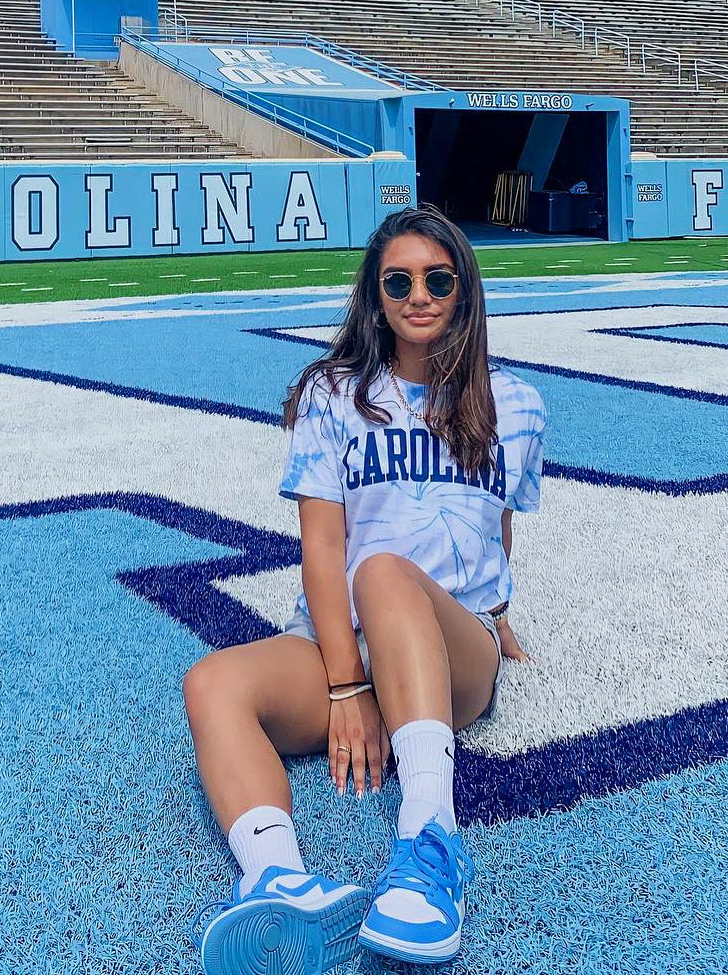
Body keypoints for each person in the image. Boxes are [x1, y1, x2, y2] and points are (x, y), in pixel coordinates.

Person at [183, 204, 545, 973]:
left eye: (438, 278)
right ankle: (278, 879)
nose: (420, 294)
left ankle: (430, 846)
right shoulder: (332, 393)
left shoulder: (514, 402)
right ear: (376, 296)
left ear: (464, 290)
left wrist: (501, 615)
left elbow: (497, 524)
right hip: (342, 642)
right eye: (400, 281)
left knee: (384, 570)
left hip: (453, 649)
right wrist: (346, 683)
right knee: (213, 681)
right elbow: (322, 545)